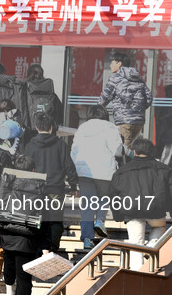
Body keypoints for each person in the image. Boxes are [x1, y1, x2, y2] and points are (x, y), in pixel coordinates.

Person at [110, 138, 172, 271]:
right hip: (156, 210)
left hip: (132, 211)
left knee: (135, 243)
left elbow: (114, 195)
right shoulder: (164, 169)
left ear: (135, 152)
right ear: (151, 152)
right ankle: (150, 247)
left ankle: (138, 272)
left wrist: (118, 215)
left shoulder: (122, 172)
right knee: (159, 230)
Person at [24, 112, 78, 254]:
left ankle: (38, 249)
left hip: (35, 190)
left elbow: (24, 167)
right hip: (56, 189)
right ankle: (51, 249)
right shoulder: (60, 144)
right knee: (55, 221)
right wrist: (73, 186)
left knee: (36, 218)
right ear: (51, 128)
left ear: (36, 127)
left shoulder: (29, 146)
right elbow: (69, 166)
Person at [71, 105, 123, 249]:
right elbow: (118, 151)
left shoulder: (82, 128)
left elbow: (74, 151)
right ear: (105, 115)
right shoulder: (110, 127)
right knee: (104, 197)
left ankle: (87, 239)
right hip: (104, 171)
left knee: (87, 205)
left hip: (84, 171)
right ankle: (100, 220)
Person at [0, 154, 42, 295]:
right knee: (24, 279)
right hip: (26, 238)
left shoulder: (7, 184)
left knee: (10, 270)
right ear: (33, 169)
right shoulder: (40, 188)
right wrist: (46, 245)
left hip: (7, 235)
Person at [98, 52, 153, 149]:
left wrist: (96, 111)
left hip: (124, 121)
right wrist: (139, 109)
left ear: (119, 63)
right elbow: (149, 97)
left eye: (112, 62)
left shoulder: (116, 78)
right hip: (139, 121)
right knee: (129, 148)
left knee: (122, 150)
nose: (110, 65)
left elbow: (104, 98)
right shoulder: (138, 79)